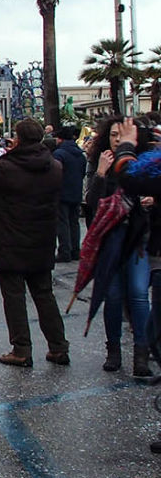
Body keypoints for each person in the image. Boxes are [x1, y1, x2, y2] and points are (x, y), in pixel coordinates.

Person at [0, 119, 69, 368]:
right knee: (44, 295)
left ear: (17, 139)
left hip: (10, 242)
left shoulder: (7, 167)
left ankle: (22, 349)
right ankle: (58, 347)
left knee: (14, 297)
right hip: (41, 241)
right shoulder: (55, 167)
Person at [86, 116, 156, 377]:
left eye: (121, 135)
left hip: (138, 239)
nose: (117, 140)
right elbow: (92, 205)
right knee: (113, 297)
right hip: (110, 240)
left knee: (138, 294)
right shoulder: (100, 162)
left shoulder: (142, 163)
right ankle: (113, 351)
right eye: (113, 135)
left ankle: (142, 354)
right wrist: (101, 174)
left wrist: (151, 200)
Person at [52, 125, 87, 262]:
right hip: (76, 192)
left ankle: (64, 251)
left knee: (62, 223)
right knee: (74, 222)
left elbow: (55, 173)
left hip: (61, 193)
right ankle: (75, 251)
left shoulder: (59, 154)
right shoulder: (81, 155)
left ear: (60, 139)